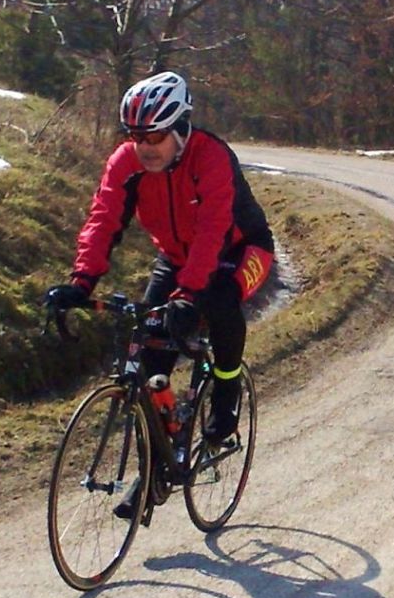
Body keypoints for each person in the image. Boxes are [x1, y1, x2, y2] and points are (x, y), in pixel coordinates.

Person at [46, 71, 275, 444]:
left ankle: (226, 393)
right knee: (151, 351)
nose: (145, 147)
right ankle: (160, 454)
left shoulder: (211, 156)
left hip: (240, 248)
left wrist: (188, 294)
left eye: (155, 137)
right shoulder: (126, 162)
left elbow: (213, 230)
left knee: (221, 300)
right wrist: (82, 281)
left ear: (181, 130)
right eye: (136, 137)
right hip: (175, 257)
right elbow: (103, 219)